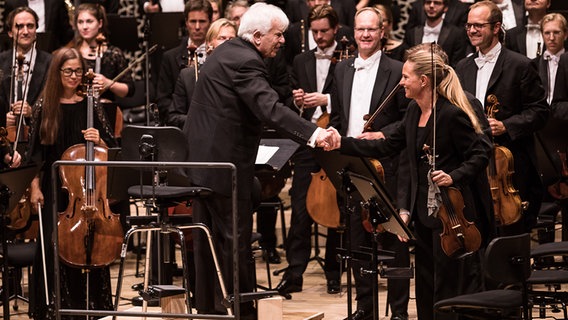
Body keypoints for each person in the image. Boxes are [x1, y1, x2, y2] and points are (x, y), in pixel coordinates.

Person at [183, 3, 339, 318]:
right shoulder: (245, 61)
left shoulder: (228, 53)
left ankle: (211, 309)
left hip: (204, 165)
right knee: (234, 242)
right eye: (278, 35)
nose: (283, 41)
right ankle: (241, 312)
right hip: (223, 167)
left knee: (209, 243)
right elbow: (268, 107)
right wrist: (314, 134)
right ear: (257, 36)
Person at [329, 49, 490, 320]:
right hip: (423, 214)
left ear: (424, 80)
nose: (401, 82)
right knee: (425, 282)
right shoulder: (415, 111)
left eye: (405, 77)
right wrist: (340, 143)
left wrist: (454, 175)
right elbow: (387, 145)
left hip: (451, 214)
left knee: (448, 285)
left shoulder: (451, 114)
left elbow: (481, 153)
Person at [329, 7, 411, 320]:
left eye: (372, 30)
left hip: (387, 163)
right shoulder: (341, 69)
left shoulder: (398, 68)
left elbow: (407, 119)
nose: (366, 35)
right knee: (357, 238)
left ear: (382, 32)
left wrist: (381, 133)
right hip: (353, 165)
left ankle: (400, 311)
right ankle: (365, 307)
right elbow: (338, 116)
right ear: (354, 32)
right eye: (361, 29)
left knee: (395, 239)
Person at [26, 47, 117, 320]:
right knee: (55, 247)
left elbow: (113, 148)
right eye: (68, 71)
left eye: (78, 71)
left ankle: (92, 309)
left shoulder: (92, 103)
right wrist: (34, 187)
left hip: (88, 191)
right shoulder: (45, 105)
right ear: (57, 72)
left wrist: (99, 140)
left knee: (91, 247)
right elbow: (35, 155)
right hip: (57, 189)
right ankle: (55, 309)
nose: (75, 76)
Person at [456, 0, 549, 235]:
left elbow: (539, 112)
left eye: (479, 25)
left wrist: (506, 125)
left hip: (509, 167)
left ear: (497, 27)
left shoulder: (520, 65)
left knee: (510, 239)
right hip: (472, 166)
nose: (472, 31)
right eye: (469, 26)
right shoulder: (462, 67)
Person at [276, 3, 344, 297]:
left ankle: (333, 271)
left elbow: (349, 97)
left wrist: (325, 98)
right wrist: (298, 99)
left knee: (337, 208)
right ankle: (295, 273)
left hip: (336, 138)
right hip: (307, 140)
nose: (319, 37)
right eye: (315, 32)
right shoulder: (302, 60)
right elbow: (291, 101)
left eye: (324, 31)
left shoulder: (347, 58)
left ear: (336, 30)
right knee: (300, 207)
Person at [168, 18, 237, 128]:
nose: (227, 43)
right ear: (209, 44)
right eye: (222, 38)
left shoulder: (243, 76)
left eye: (232, 39)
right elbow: (173, 117)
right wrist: (200, 119)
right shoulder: (187, 76)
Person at [156, 0, 212, 124]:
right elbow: (163, 99)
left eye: (202, 21)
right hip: (179, 126)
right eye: (193, 21)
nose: (197, 27)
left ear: (210, 22)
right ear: (186, 22)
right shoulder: (169, 57)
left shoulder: (217, 55)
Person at [0, 7, 52, 135]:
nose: (25, 31)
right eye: (19, 26)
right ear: (10, 32)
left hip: (39, 136)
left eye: (30, 26)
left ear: (36, 30)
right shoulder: (0, 61)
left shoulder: (50, 62)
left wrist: (32, 111)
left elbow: (55, 103)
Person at [74, 3, 134, 106]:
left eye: (89, 21)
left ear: (100, 23)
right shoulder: (73, 53)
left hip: (106, 108)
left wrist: (108, 83)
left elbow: (129, 90)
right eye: (80, 22)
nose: (84, 27)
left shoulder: (114, 54)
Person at [404, 0, 469, 66]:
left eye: (437, 3)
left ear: (445, 8)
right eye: (428, 2)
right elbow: (406, 60)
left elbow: (456, 65)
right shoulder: (411, 33)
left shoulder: (456, 34)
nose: (431, 6)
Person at [4, 0, 74, 51]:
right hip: (20, 52)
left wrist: (59, 53)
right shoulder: (12, 3)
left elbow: (66, 34)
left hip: (50, 53)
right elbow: (7, 32)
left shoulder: (56, 2)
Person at [532, 13, 567, 105]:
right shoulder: (533, 65)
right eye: (547, 33)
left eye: (556, 32)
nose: (551, 38)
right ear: (542, 35)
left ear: (565, 34)